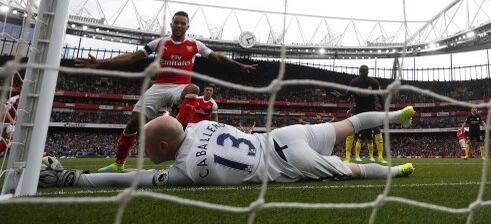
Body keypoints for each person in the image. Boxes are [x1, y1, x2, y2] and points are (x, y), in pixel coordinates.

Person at [39, 107, 417, 188]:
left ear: (166, 145)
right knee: (346, 125)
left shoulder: (186, 170)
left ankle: (398, 171)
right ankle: (396, 113)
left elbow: (131, 179)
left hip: (286, 162)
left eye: (150, 147)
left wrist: (73, 178)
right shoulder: (202, 123)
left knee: (349, 171)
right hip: (283, 135)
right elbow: (174, 123)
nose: (147, 153)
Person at [74, 11, 256, 173]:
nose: (179, 26)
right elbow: (131, 57)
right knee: (133, 123)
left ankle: (176, 129)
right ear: (171, 24)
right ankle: (118, 164)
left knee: (194, 89)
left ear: (187, 26)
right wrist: (101, 62)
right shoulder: (159, 43)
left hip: (181, 87)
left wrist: (239, 65)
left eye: (183, 23)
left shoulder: (195, 44)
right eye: (176, 22)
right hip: (159, 86)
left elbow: (217, 57)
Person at [343, 65, 385, 164]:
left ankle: (348, 157)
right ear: (368, 72)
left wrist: (341, 96)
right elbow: (380, 96)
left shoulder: (355, 82)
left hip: (360, 110)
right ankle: (380, 157)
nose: (364, 73)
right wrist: (383, 107)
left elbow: (347, 96)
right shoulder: (373, 82)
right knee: (377, 132)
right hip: (368, 110)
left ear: (359, 72)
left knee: (352, 132)